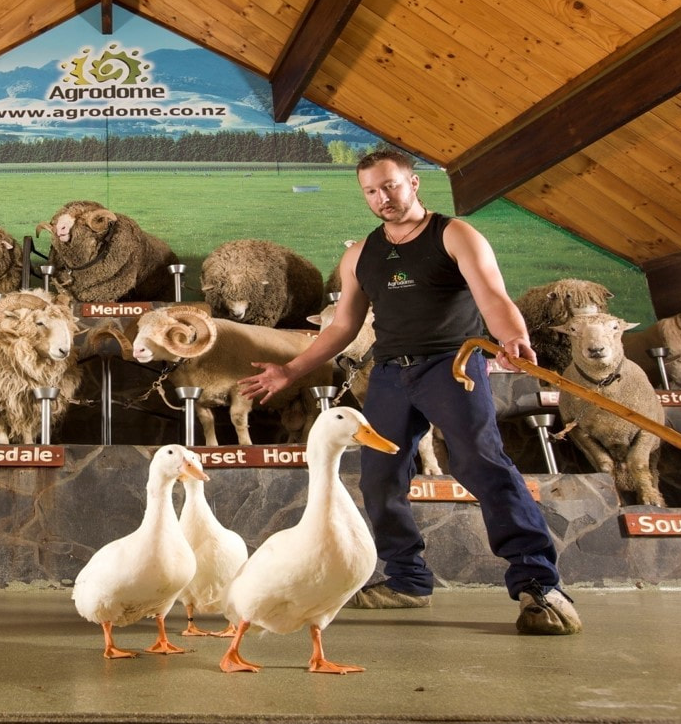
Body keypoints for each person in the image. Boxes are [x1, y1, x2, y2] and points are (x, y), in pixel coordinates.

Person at [237, 147, 581, 635]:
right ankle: (408, 579)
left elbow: (492, 296)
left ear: (413, 183)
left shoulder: (455, 235)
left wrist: (512, 338)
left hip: (452, 366)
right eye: (371, 191)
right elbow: (343, 328)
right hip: (389, 373)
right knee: (380, 478)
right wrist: (290, 371)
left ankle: (539, 586)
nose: (383, 198)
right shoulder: (360, 255)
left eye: (390, 186)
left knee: (481, 465)